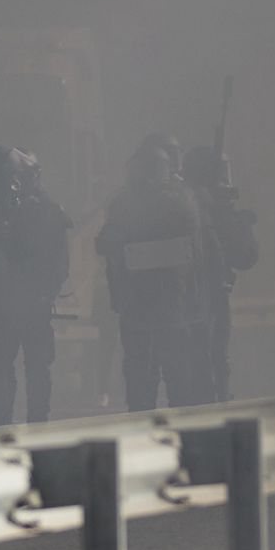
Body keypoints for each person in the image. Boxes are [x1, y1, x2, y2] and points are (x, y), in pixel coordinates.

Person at [95, 143, 212, 412]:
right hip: (171, 304)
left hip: (144, 305)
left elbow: (106, 244)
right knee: (175, 377)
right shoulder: (183, 199)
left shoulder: (125, 203)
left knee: (145, 379)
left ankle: (144, 426)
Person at [0, 145, 71, 425]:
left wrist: (45, 292)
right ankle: (2, 422)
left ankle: (38, 420)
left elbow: (59, 259)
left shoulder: (46, 211)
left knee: (37, 367)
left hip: (33, 303)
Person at [182, 145, 259, 401]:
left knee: (208, 356)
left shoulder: (188, 207)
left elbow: (244, 256)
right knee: (205, 355)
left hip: (201, 293)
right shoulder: (192, 210)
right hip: (198, 293)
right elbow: (245, 256)